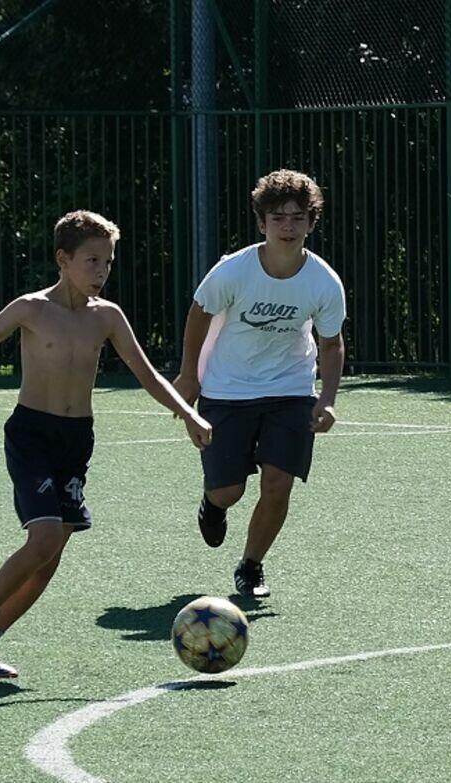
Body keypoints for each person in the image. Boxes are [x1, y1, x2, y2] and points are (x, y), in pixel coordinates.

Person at [0, 209, 213, 678]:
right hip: (32, 434)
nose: (101, 271)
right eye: (92, 260)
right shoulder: (31, 309)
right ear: (63, 259)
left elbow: (149, 375)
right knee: (45, 537)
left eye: (107, 262)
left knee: (50, 555)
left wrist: (189, 413)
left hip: (76, 439)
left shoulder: (107, 316)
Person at [172, 169, 345, 599]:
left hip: (290, 390)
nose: (288, 226)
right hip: (227, 390)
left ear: (311, 223)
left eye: (298, 217)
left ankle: (251, 566)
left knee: (278, 483)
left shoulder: (324, 282)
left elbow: (331, 343)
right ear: (262, 223)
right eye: (278, 217)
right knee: (228, 491)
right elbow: (199, 313)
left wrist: (327, 398)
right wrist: (189, 375)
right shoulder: (233, 271)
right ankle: (213, 504)